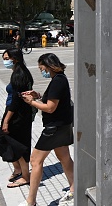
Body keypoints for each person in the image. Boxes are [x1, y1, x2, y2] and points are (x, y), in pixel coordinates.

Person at [19, 53, 74, 206]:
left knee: (35, 160)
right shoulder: (60, 78)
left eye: (41, 67)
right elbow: (53, 99)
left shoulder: (57, 81)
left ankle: (31, 201)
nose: (40, 70)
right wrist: (37, 95)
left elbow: (50, 108)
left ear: (48, 66)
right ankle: (75, 187)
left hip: (54, 128)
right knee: (64, 158)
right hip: (63, 125)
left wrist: (31, 102)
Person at [0, 48, 33, 189]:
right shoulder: (20, 72)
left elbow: (16, 101)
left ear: (14, 59)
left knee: (9, 142)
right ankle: (18, 169)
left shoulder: (19, 75)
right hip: (18, 112)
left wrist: (6, 120)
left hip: (17, 114)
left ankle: (25, 176)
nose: (5, 61)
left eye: (6, 58)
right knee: (15, 142)